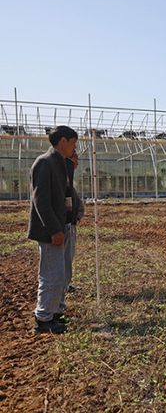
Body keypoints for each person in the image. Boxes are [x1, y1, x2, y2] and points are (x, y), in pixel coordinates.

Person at [28, 125, 78, 334]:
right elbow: (41, 201)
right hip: (52, 231)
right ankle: (43, 319)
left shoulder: (61, 163)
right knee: (51, 274)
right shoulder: (44, 163)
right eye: (73, 143)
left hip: (63, 225)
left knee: (63, 273)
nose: (75, 148)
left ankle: (55, 312)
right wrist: (54, 230)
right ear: (63, 141)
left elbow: (66, 192)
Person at [64, 150, 84, 294]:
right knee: (63, 258)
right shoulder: (62, 178)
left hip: (70, 224)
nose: (77, 163)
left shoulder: (68, 178)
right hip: (64, 224)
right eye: (75, 160)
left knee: (68, 256)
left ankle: (65, 285)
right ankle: (62, 287)